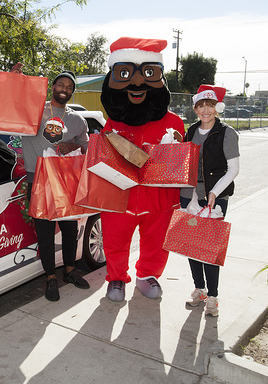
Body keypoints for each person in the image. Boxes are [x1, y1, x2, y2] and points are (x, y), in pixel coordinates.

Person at [99, 37, 185, 302]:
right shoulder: (112, 123)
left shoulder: (174, 122)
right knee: (115, 239)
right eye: (125, 74)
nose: (137, 83)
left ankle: (147, 275)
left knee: (157, 240)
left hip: (158, 198)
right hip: (120, 197)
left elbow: (180, 164)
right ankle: (116, 278)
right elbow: (102, 158)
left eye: (148, 74)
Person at [22, 70, 90, 301]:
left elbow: (87, 147)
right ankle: (51, 277)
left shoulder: (77, 120)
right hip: (38, 179)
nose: (65, 89)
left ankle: (70, 271)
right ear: (53, 87)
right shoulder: (35, 112)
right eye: (61, 84)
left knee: (70, 230)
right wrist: (17, 80)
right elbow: (12, 109)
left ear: (72, 91)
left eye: (69, 87)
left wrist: (74, 147)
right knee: (45, 232)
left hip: (66, 182)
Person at [180, 84, 240, 317]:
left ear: (217, 108)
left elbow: (233, 169)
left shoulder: (227, 133)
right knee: (191, 246)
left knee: (209, 248)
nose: (206, 110)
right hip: (189, 195)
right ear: (195, 108)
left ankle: (213, 296)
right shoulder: (192, 130)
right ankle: (199, 289)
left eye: (210, 105)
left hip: (215, 197)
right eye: (201, 105)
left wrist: (214, 192)